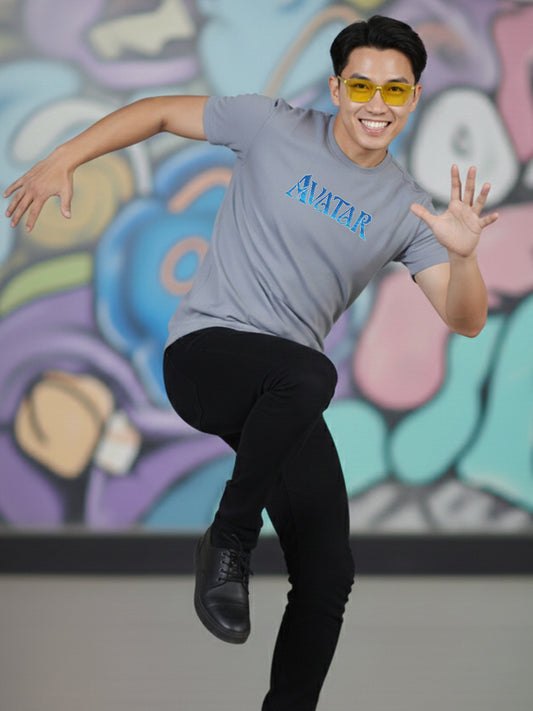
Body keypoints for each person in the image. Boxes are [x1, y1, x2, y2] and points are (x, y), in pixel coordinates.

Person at [4, 15, 498, 711]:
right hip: (205, 355)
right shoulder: (271, 125)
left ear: (413, 98)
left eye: (395, 90)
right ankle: (230, 538)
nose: (376, 104)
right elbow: (158, 112)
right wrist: (66, 155)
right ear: (338, 88)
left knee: (328, 572)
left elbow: (464, 318)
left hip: (282, 396)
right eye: (361, 85)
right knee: (311, 374)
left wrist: (463, 256)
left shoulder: (405, 207)